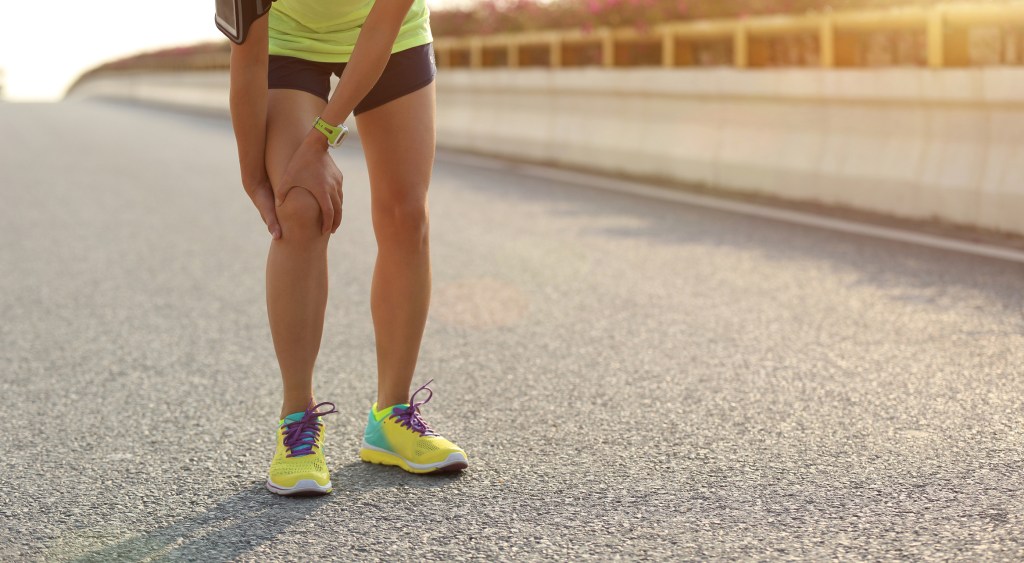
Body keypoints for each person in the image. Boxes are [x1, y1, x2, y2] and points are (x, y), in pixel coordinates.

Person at [226, 0, 468, 496]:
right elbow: (248, 58)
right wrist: (253, 177)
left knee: (406, 215)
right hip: (288, 43)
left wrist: (321, 140)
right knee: (300, 207)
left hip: (390, 35)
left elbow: (382, 26)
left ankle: (391, 418)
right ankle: (298, 422)